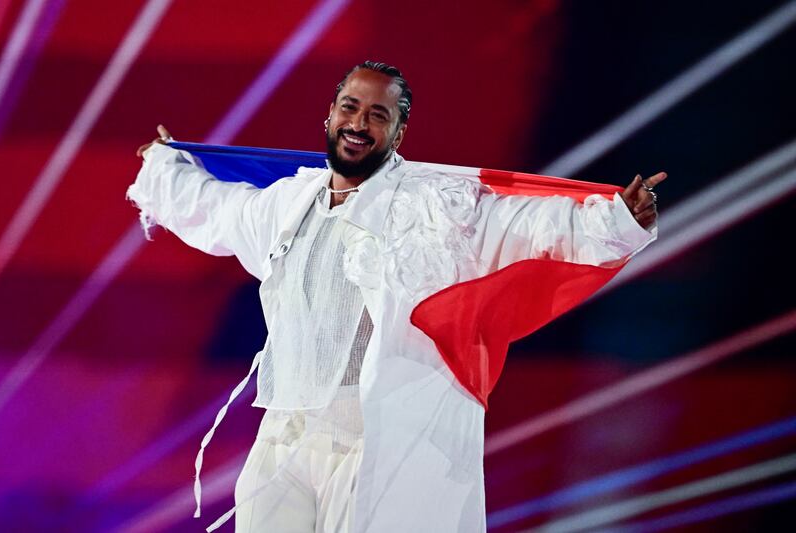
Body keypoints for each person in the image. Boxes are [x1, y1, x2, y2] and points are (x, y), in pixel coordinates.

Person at [130, 61, 666, 532]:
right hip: (285, 437)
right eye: (350, 107)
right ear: (330, 115)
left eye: (377, 115)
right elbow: (217, 205)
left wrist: (614, 219)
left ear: (398, 131)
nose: (359, 123)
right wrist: (163, 167)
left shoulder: (433, 207)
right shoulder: (287, 204)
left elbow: (519, 222)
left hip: (374, 442)